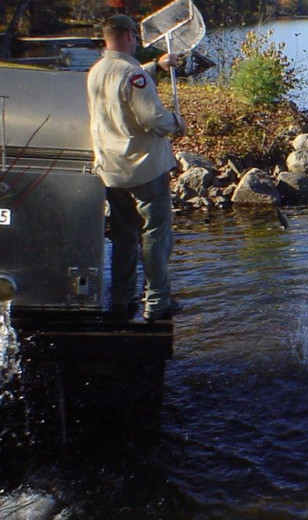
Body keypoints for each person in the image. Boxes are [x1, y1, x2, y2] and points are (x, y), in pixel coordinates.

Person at [87, 14, 187, 322]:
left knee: (123, 236)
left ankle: (121, 298)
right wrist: (176, 125)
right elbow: (152, 119)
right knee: (156, 234)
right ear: (130, 35)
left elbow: (125, 83)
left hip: (111, 168)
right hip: (143, 167)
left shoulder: (97, 70)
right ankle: (157, 301)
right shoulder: (132, 75)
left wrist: (157, 66)